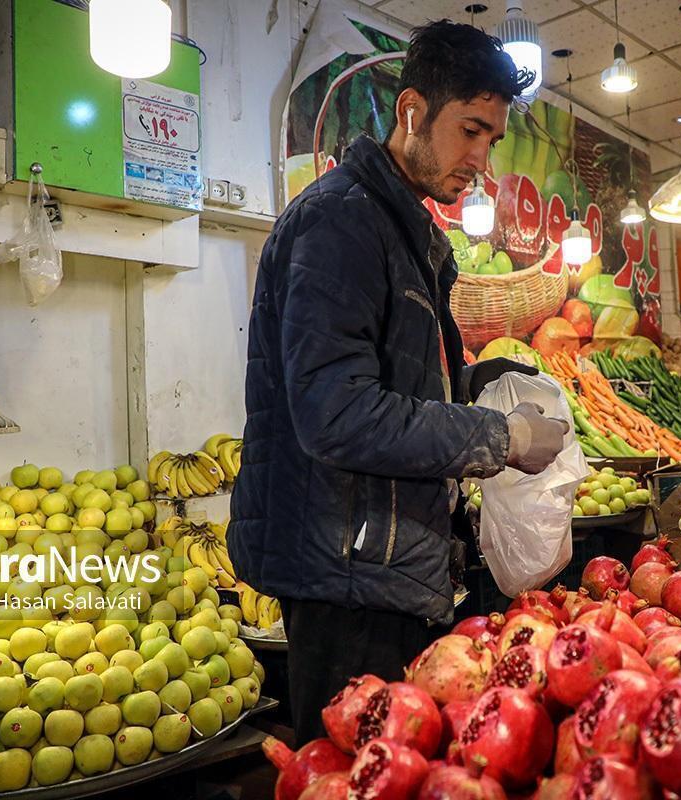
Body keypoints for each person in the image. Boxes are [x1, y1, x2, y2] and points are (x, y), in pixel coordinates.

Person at [227, 20, 570, 744]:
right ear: (412, 109)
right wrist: (499, 437)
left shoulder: (400, 229)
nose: (481, 159)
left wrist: (474, 381)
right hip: (344, 579)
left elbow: (389, 382)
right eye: (470, 130)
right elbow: (336, 413)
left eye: (493, 139)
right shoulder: (340, 225)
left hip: (377, 565)